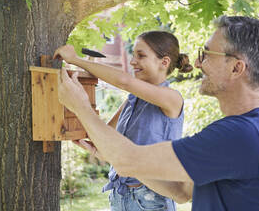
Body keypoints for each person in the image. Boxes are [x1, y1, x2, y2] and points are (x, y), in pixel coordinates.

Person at [56, 16, 259, 211]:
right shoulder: (255, 129)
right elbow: (181, 191)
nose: (198, 63)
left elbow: (128, 161)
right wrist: (115, 157)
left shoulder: (241, 135)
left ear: (236, 67)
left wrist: (81, 106)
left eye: (207, 54)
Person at [54, 31, 193, 211]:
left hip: (150, 200)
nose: (133, 61)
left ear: (164, 62)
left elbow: (124, 81)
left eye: (141, 56)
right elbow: (104, 134)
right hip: (120, 196)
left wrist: (76, 59)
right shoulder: (131, 101)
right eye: (133, 55)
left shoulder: (172, 99)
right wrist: (98, 151)